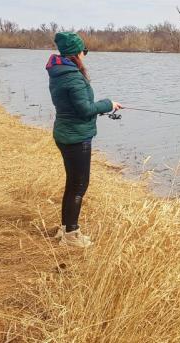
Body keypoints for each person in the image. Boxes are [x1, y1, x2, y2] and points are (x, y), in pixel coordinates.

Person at [46, 32, 122, 247]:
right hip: (75, 137)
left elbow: (79, 106)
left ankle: (66, 230)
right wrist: (108, 104)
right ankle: (71, 236)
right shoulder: (72, 77)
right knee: (79, 185)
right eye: (84, 51)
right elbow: (85, 109)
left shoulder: (60, 72)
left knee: (72, 184)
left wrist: (105, 106)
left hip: (66, 133)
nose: (85, 55)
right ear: (77, 53)